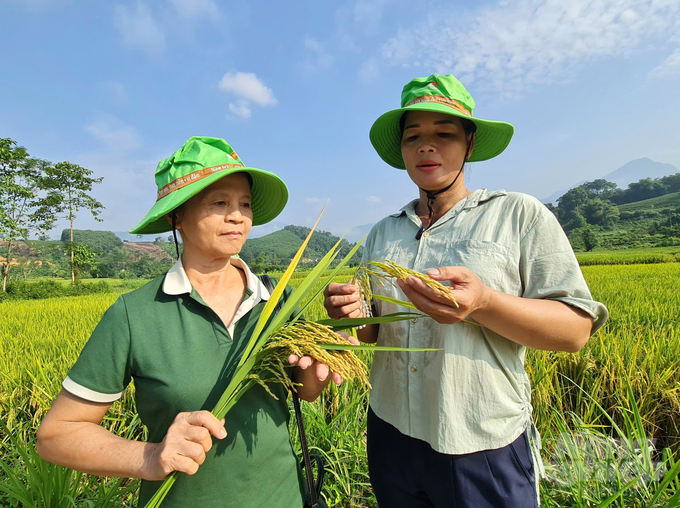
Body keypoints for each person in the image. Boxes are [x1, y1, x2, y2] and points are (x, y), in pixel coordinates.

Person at [324, 74, 609, 507]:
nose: (426, 146)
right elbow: (374, 335)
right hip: (390, 433)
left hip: (480, 442)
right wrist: (352, 313)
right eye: (413, 136)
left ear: (470, 145)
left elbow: (574, 332)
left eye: (444, 134)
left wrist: (483, 303)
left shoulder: (518, 215)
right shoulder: (383, 234)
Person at [37, 136, 348, 507]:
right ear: (176, 216)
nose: (237, 216)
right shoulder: (135, 315)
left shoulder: (276, 299)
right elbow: (57, 435)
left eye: (244, 204)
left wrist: (322, 366)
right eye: (220, 202)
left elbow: (304, 391)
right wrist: (150, 457)